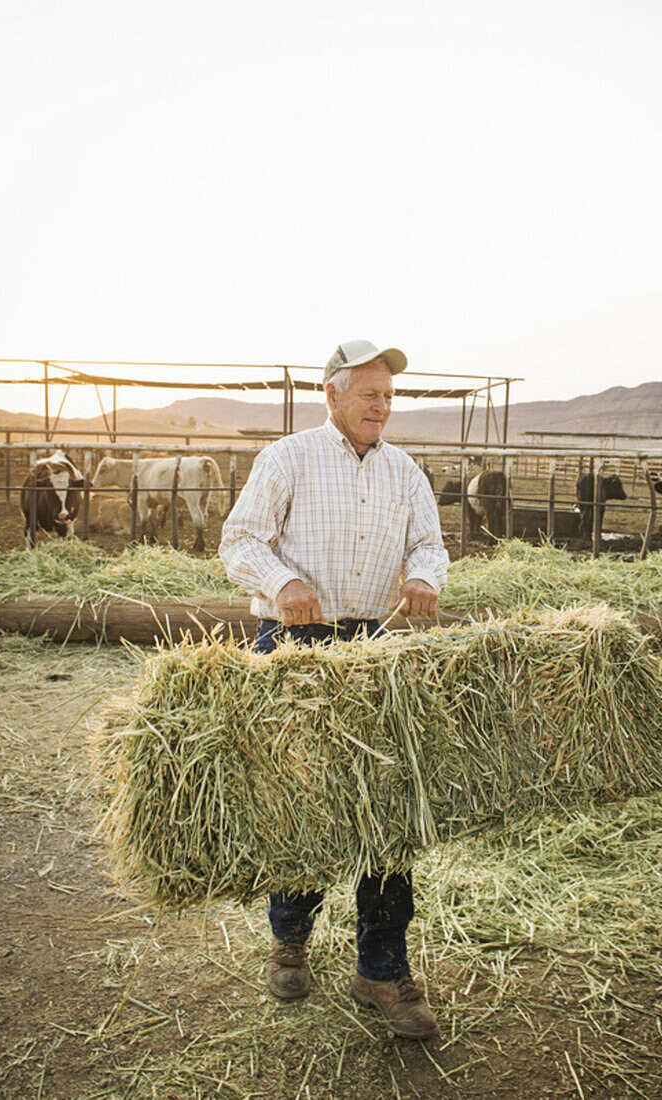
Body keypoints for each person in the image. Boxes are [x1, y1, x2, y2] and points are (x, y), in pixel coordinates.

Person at [219, 338, 449, 1038]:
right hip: (294, 643)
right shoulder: (286, 458)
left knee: (387, 808)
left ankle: (380, 970)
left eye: (388, 395)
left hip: (374, 645)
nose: (383, 405)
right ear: (333, 396)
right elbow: (240, 541)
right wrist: (282, 582)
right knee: (301, 799)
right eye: (370, 393)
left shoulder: (404, 471)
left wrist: (423, 580)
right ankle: (289, 937)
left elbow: (430, 546)